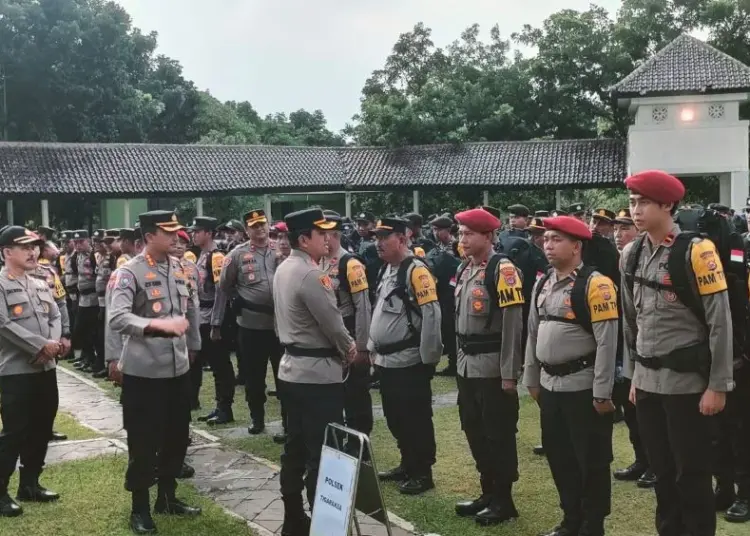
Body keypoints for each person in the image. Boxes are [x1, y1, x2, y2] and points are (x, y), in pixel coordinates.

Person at [621, 170, 733, 536]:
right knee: (662, 473)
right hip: (649, 383)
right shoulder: (631, 254)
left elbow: (720, 322)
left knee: (692, 473)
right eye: (633, 202)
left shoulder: (696, 251)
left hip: (688, 384)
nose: (635, 210)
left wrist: (717, 385)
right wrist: (636, 374)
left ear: (667, 204)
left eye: (643, 203)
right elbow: (631, 320)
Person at [109, 210, 202, 534]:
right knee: (144, 443)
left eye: (178, 231)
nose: (177, 237)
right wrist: (156, 325)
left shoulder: (180, 269)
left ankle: (168, 497)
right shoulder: (129, 273)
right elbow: (118, 318)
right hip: (144, 375)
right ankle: (140, 508)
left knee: (177, 438)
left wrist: (193, 345)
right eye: (169, 232)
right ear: (149, 236)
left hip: (177, 372)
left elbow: (189, 310)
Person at [525, 216, 618, 536]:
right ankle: (571, 519)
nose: (547, 244)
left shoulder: (597, 284)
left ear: (577, 246)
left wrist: (602, 392)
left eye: (556, 239)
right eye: (546, 239)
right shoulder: (543, 282)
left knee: (591, 460)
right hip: (550, 387)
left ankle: (593, 524)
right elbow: (532, 334)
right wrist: (531, 378)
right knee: (560, 457)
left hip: (583, 386)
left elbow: (608, 341)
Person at [273, 208, 356, 535]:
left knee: (295, 445)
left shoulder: (284, 268)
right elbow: (333, 325)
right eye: (321, 234)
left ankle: (293, 516)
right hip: (318, 374)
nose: (328, 239)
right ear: (304, 239)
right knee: (323, 450)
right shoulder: (312, 274)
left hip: (292, 369)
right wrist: (349, 348)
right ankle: (325, 524)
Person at [452, 208, 524, 526]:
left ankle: (504, 500)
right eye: (460, 233)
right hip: (468, 366)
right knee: (474, 429)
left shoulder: (502, 269)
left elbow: (513, 324)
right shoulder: (465, 268)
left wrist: (509, 373)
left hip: (492, 367)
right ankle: (488, 491)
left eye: (468, 233)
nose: (462, 239)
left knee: (498, 435)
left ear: (488, 236)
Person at [370, 217, 443, 495]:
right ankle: (406, 462)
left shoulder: (416, 271)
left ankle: (422, 472)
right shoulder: (387, 270)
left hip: (409, 361)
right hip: (387, 361)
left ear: (402, 239)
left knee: (415, 418)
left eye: (384, 238)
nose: (378, 243)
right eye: (377, 238)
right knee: (394, 416)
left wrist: (428, 360)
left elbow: (432, 315)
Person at [0, 226, 62, 518]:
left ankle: (30, 483)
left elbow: (56, 313)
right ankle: (1, 492)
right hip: (16, 371)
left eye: (35, 246)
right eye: (24, 247)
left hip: (45, 370)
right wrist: (40, 346)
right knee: (14, 432)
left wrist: (54, 342)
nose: (32, 251)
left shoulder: (39, 282)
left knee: (41, 427)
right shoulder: (0, 284)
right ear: (6, 252)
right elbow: (3, 324)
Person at [219, 209, 282, 435]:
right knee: (254, 377)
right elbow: (225, 286)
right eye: (254, 226)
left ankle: (287, 421)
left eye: (263, 224)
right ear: (246, 230)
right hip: (251, 325)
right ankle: (257, 418)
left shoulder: (281, 250)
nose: (260, 229)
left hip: (279, 324)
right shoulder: (236, 255)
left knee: (283, 375)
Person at [611, 209, 655, 488]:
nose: (618, 233)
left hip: (648, 343)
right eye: (616, 228)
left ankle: (654, 462)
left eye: (624, 228)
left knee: (649, 408)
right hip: (628, 340)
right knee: (630, 406)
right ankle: (641, 458)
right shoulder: (626, 257)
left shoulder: (645, 256)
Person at [319, 214, 373, 444]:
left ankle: (358, 441)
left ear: (336, 235)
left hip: (349, 331)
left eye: (325, 235)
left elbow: (363, 307)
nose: (322, 239)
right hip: (327, 337)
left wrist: (362, 347)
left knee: (355, 394)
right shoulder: (318, 262)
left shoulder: (350, 264)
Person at [188, 217, 233, 423]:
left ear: (208, 233)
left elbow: (220, 292)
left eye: (197, 231)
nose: (193, 235)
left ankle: (225, 408)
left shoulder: (215, 257)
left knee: (220, 365)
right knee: (213, 366)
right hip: (202, 317)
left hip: (213, 318)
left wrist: (216, 323)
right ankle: (218, 405)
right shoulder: (202, 255)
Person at [73, 230, 101, 374]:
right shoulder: (76, 256)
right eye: (76, 242)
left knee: (92, 331)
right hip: (82, 297)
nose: (78, 245)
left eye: (81, 242)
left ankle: (95, 360)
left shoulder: (93, 255)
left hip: (93, 297)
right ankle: (87, 358)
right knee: (81, 330)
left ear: (88, 241)